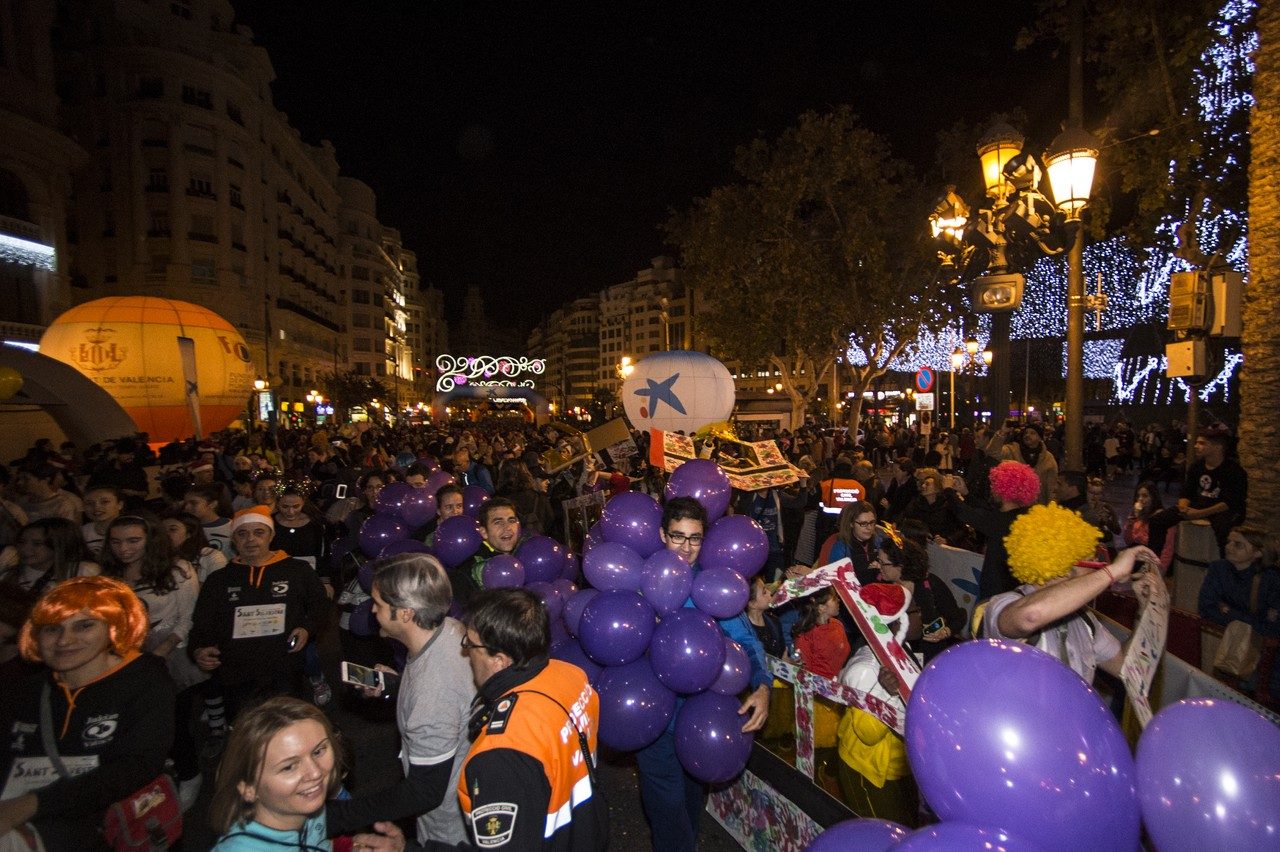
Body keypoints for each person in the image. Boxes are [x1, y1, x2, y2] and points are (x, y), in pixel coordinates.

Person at [0, 576, 175, 850]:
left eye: (84, 626)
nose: (64, 640)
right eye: (52, 629)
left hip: (104, 829)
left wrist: (30, 805)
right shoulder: (22, 689)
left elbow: (137, 765)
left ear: (113, 628)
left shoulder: (145, 680)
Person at [635, 497, 769, 852]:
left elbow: (747, 640)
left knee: (692, 803)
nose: (686, 547)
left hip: (699, 719)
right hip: (651, 721)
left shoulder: (712, 588)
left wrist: (763, 686)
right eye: (678, 536)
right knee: (667, 810)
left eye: (695, 538)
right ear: (663, 535)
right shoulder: (639, 581)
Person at [325, 553, 475, 846]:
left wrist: (340, 816)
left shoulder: (432, 692)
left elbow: (424, 791)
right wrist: (396, 685)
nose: (372, 612)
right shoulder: (451, 630)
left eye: (379, 605)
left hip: (448, 835)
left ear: (405, 613)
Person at [454, 588, 607, 849]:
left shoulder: (501, 754)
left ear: (500, 661)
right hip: (586, 832)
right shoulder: (572, 676)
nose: (466, 653)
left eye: (470, 644)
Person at [983, 505, 1166, 686]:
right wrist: (1112, 572)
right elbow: (1031, 616)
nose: (1098, 565)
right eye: (1091, 560)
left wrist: (1144, 609)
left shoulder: (1085, 622)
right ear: (1063, 567)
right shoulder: (1003, 604)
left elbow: (1127, 668)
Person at [98, 515, 207, 809]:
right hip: (121, 656)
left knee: (172, 723)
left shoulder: (177, 571)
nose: (124, 548)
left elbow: (188, 616)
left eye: (133, 540)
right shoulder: (106, 574)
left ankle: (190, 775)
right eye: (117, 541)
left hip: (167, 654)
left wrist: (162, 651)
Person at [190, 505, 329, 721]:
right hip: (236, 673)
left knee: (287, 724)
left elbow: (319, 605)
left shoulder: (297, 570)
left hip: (284, 669)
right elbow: (202, 621)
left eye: (259, 532)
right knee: (247, 732)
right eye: (242, 534)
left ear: (271, 535)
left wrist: (307, 628)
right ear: (233, 539)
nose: (251, 540)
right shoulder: (219, 580)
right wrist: (198, 649)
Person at [209, 696, 396, 851]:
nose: (316, 773)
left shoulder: (305, 807)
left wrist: (348, 847)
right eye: (289, 767)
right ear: (249, 788)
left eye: (318, 751)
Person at [947, 461, 1039, 601]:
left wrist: (947, 490)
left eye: (994, 484)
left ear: (1003, 489)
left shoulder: (1004, 522)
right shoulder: (1019, 515)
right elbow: (987, 511)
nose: (991, 488)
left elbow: (966, 514)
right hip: (1011, 590)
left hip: (999, 594)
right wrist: (966, 493)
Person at [1198, 525, 1279, 632]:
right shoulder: (1218, 568)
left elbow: (1273, 625)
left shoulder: (1270, 578)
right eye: (1228, 542)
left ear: (1257, 553)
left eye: (1238, 545)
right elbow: (1206, 608)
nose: (1228, 547)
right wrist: (1248, 619)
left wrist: (1226, 610)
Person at [450, 498, 522, 609]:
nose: (507, 528)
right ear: (484, 532)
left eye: (511, 521)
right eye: (498, 522)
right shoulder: (467, 573)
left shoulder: (526, 555)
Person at [985, 423, 1057, 505]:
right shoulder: (1012, 450)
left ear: (1040, 438)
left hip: (1038, 508)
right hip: (1015, 506)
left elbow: (1052, 486)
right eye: (1026, 433)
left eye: (1032, 433)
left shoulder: (1048, 458)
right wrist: (1002, 433)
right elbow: (992, 452)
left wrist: (1052, 505)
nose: (1028, 435)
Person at [1122, 481, 1175, 573]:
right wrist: (1130, 526)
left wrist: (1160, 569)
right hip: (1136, 562)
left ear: (1153, 497)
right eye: (1138, 496)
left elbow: (1167, 548)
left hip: (1152, 563)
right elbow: (1128, 541)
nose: (1140, 499)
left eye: (1145, 496)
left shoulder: (1162, 518)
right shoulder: (1137, 516)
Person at [162, 510, 230, 582]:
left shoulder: (211, 556)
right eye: (162, 530)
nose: (166, 534)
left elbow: (218, 586)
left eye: (172, 529)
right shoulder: (159, 557)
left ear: (189, 533)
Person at [184, 483, 234, 555]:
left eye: (193, 503)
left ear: (212, 504)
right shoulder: (185, 528)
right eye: (185, 503)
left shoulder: (232, 527)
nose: (186, 507)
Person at [80, 485, 124, 558]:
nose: (96, 507)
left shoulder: (135, 530)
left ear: (120, 504)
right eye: (89, 503)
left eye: (104, 502)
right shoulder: (82, 532)